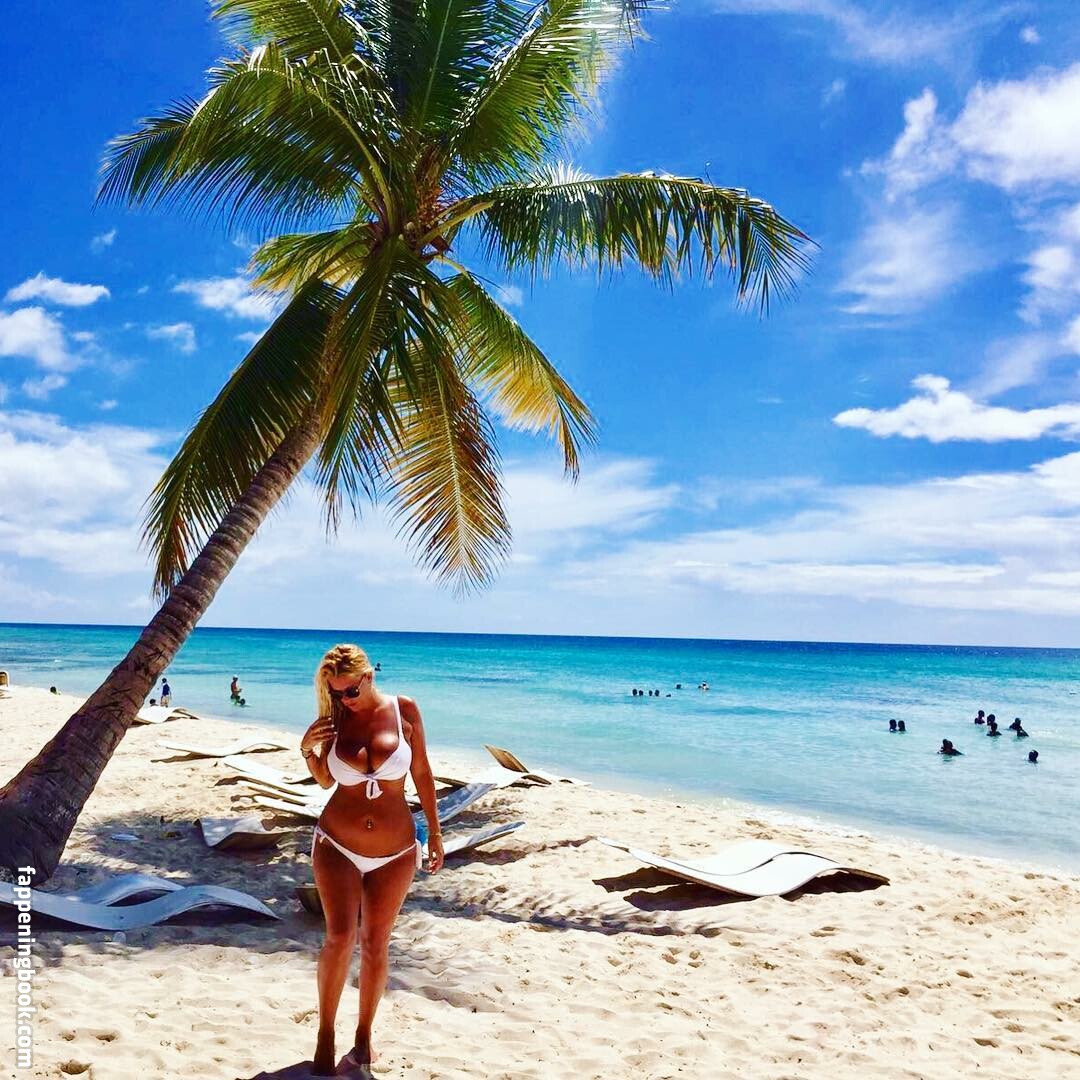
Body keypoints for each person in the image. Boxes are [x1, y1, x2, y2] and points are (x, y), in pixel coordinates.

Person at [300, 644, 442, 1074]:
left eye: (350, 691)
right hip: (336, 844)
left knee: (376, 943)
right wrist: (307, 750)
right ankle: (326, 1034)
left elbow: (422, 773)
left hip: (395, 852)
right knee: (340, 937)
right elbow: (325, 780)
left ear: (369, 677)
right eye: (335, 692)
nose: (344, 700)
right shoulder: (335, 720)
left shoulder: (404, 710)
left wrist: (436, 833)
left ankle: (363, 1038)